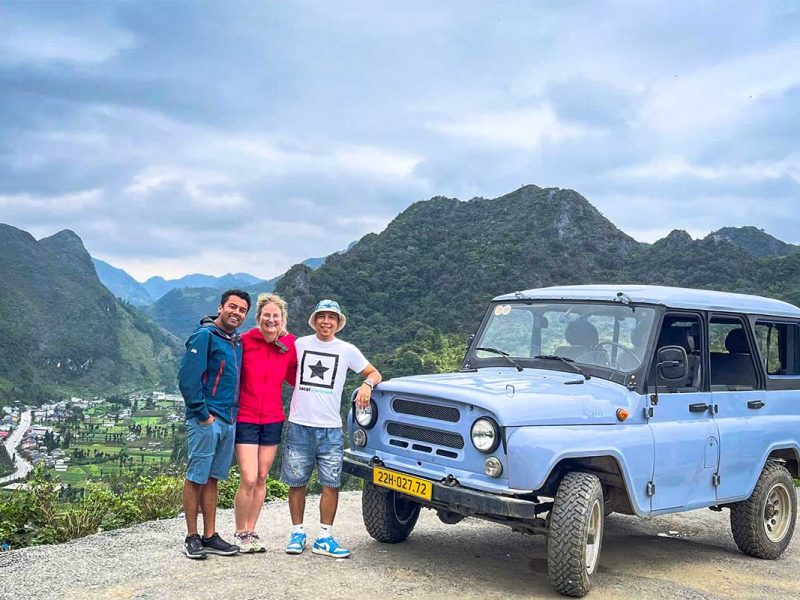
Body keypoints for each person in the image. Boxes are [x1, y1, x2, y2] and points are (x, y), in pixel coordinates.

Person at [281, 299, 381, 558]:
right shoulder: (300, 344)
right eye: (322, 316)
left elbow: (374, 373)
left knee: (331, 483)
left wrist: (367, 386)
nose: (326, 321)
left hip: (331, 428)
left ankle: (324, 537)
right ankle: (297, 532)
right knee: (297, 482)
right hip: (299, 424)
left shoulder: (347, 350)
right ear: (314, 320)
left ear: (338, 323)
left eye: (332, 317)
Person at [178, 289, 251, 560]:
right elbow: (187, 377)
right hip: (207, 419)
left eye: (242, 310)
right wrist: (201, 412)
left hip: (229, 419)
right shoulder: (205, 336)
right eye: (232, 307)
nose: (236, 313)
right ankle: (191, 536)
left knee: (212, 478)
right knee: (196, 476)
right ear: (220, 308)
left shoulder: (235, 341)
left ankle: (210, 535)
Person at [233, 293, 297, 553]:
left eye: (276, 316)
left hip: (273, 418)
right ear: (258, 318)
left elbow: (296, 377)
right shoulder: (244, 341)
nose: (271, 320)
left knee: (261, 476)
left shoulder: (289, 344)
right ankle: (240, 532)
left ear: (283, 320)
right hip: (246, 417)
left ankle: (251, 529)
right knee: (248, 477)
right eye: (266, 315)